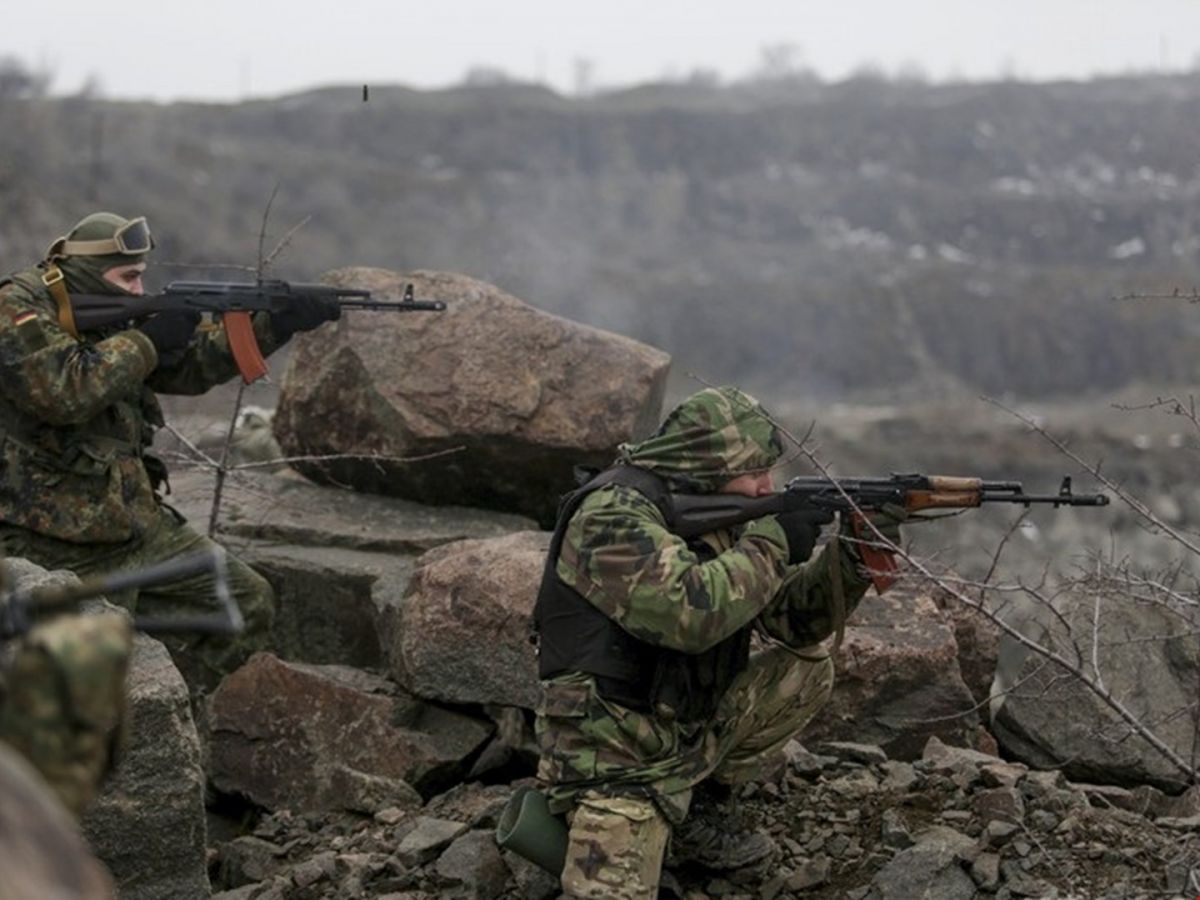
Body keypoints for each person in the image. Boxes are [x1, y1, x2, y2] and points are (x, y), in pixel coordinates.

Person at [533, 385, 904, 899]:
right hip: (614, 757)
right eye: (753, 472)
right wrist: (775, 541)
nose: (764, 486)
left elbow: (793, 623)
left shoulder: (720, 518)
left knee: (805, 667)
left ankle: (697, 809)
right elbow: (690, 613)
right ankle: (628, 811)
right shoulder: (609, 514)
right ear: (707, 464)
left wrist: (853, 556)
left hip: (681, 731)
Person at [0, 211, 339, 691]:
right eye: (129, 278)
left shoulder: (103, 312)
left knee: (244, 602)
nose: (139, 291)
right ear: (89, 274)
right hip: (48, 542)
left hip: (134, 526)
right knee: (82, 685)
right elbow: (64, 389)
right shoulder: (17, 308)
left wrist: (275, 325)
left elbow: (189, 369)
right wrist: (148, 339)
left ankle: (208, 725)